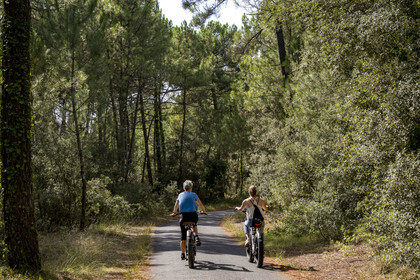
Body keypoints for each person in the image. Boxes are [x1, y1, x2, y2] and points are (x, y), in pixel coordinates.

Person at [171, 180, 207, 260]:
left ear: (184, 188)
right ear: (191, 188)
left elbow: (176, 205)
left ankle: (182, 253)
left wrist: (174, 212)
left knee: (183, 237)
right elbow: (200, 204)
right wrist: (204, 211)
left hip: (184, 217)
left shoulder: (180, 195)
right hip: (193, 215)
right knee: (194, 224)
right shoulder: (194, 194)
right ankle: (197, 236)